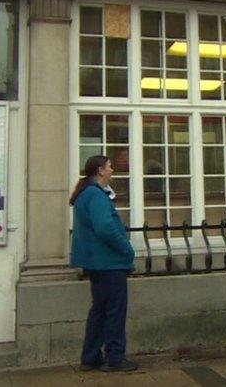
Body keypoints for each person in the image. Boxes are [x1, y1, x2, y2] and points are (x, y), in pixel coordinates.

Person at [70, 155, 138, 373]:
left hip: (97, 263)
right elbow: (105, 228)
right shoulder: (96, 195)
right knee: (114, 312)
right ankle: (115, 358)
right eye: (110, 168)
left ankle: (90, 358)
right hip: (109, 263)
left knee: (99, 311)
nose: (112, 171)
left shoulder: (85, 194)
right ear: (100, 170)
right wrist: (127, 248)